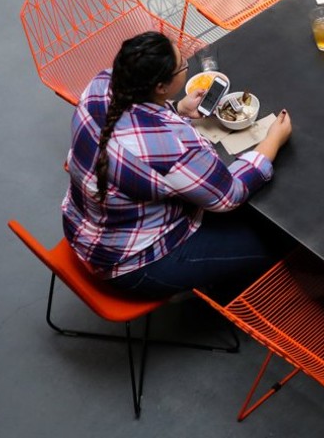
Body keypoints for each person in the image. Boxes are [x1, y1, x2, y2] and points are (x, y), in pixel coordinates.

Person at [61, 31, 293, 300]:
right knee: (275, 239)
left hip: (85, 229)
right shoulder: (170, 147)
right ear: (160, 86)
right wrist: (272, 141)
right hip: (134, 265)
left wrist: (177, 109)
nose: (186, 67)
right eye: (183, 65)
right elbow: (229, 195)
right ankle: (229, 292)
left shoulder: (100, 84)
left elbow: (134, 120)